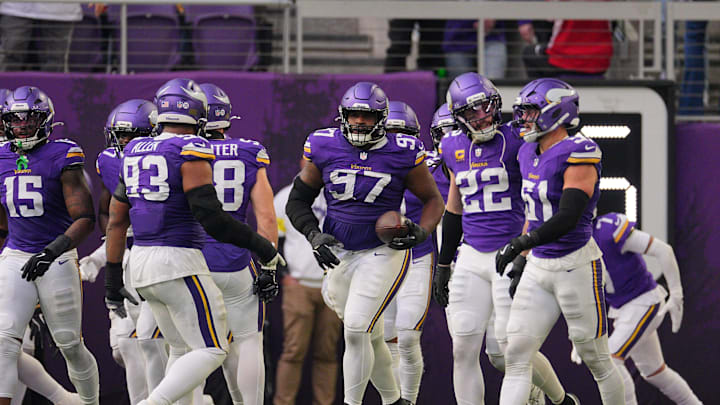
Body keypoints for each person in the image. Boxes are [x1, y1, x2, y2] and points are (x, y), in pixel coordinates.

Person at [103, 78, 284, 405]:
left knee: (178, 348)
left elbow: (116, 219)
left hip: (143, 262)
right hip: (191, 261)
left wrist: (112, 277)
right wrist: (262, 250)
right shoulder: (204, 148)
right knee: (232, 344)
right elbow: (218, 217)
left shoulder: (131, 150)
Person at [285, 82, 444, 405]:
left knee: (356, 329)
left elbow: (433, 201)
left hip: (381, 252)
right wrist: (314, 236)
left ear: (381, 119)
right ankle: (393, 400)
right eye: (354, 115)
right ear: (343, 116)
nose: (359, 122)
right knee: (370, 335)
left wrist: (424, 231)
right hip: (341, 254)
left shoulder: (402, 151)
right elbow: (297, 201)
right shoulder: (324, 145)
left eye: (367, 116)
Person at [433, 72, 576, 405]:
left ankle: (557, 399)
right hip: (470, 253)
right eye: (470, 112)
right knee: (463, 348)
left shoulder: (519, 139)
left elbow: (536, 197)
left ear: (495, 104)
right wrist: (444, 263)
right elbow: (454, 208)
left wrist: (525, 250)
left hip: (509, 250)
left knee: (508, 350)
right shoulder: (451, 145)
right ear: (458, 117)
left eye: (484, 107)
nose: (481, 116)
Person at [494, 78, 625, 404]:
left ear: (556, 113)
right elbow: (534, 213)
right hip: (539, 264)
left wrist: (519, 242)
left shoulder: (580, 151)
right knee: (517, 353)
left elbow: (567, 217)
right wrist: (523, 255)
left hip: (575, 263)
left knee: (596, 359)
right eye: (521, 112)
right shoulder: (527, 151)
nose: (523, 119)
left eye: (531, 111)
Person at [0, 86, 100, 405]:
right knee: (4, 339)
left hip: (55, 255)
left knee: (69, 344)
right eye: (15, 120)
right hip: (16, 254)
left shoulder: (62, 154)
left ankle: (88, 402)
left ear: (45, 121)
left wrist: (52, 251)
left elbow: (85, 216)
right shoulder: (1, 156)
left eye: (29, 120)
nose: (22, 126)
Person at [80, 99, 168, 405]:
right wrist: (105, 251)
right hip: (129, 253)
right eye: (120, 135)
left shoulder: (169, 158)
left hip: (160, 253)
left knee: (152, 345)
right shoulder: (109, 160)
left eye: (132, 135)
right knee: (126, 348)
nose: (124, 142)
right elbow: (110, 212)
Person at [198, 82, 277, 405]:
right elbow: (266, 217)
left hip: (191, 262)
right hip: (235, 263)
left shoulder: (176, 150)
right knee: (248, 341)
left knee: (187, 347)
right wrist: (268, 266)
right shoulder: (247, 152)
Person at [587, 212, 702, 405]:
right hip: (623, 309)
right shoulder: (573, 245)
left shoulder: (607, 229)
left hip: (642, 301)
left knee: (610, 361)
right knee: (655, 372)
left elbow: (663, 250)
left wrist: (676, 294)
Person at [381, 101, 448, 405]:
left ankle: (408, 399)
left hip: (418, 256)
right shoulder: (364, 161)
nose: (397, 141)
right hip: (379, 260)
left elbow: (452, 208)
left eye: (403, 133)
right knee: (383, 340)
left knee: (408, 337)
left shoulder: (431, 165)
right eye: (390, 132)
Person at [273, 160, 342, 405]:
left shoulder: (342, 193)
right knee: (293, 351)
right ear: (302, 162)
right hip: (300, 284)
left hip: (334, 283)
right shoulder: (285, 197)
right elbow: (273, 239)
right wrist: (285, 275)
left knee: (327, 353)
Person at [0, 2, 82, 71]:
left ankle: (52, 90)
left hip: (61, 10)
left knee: (55, 61)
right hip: (15, 7)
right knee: (9, 56)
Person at [521, 18, 613, 79]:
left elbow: (549, 16)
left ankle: (540, 101)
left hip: (565, 60)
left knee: (528, 52)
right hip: (599, 61)